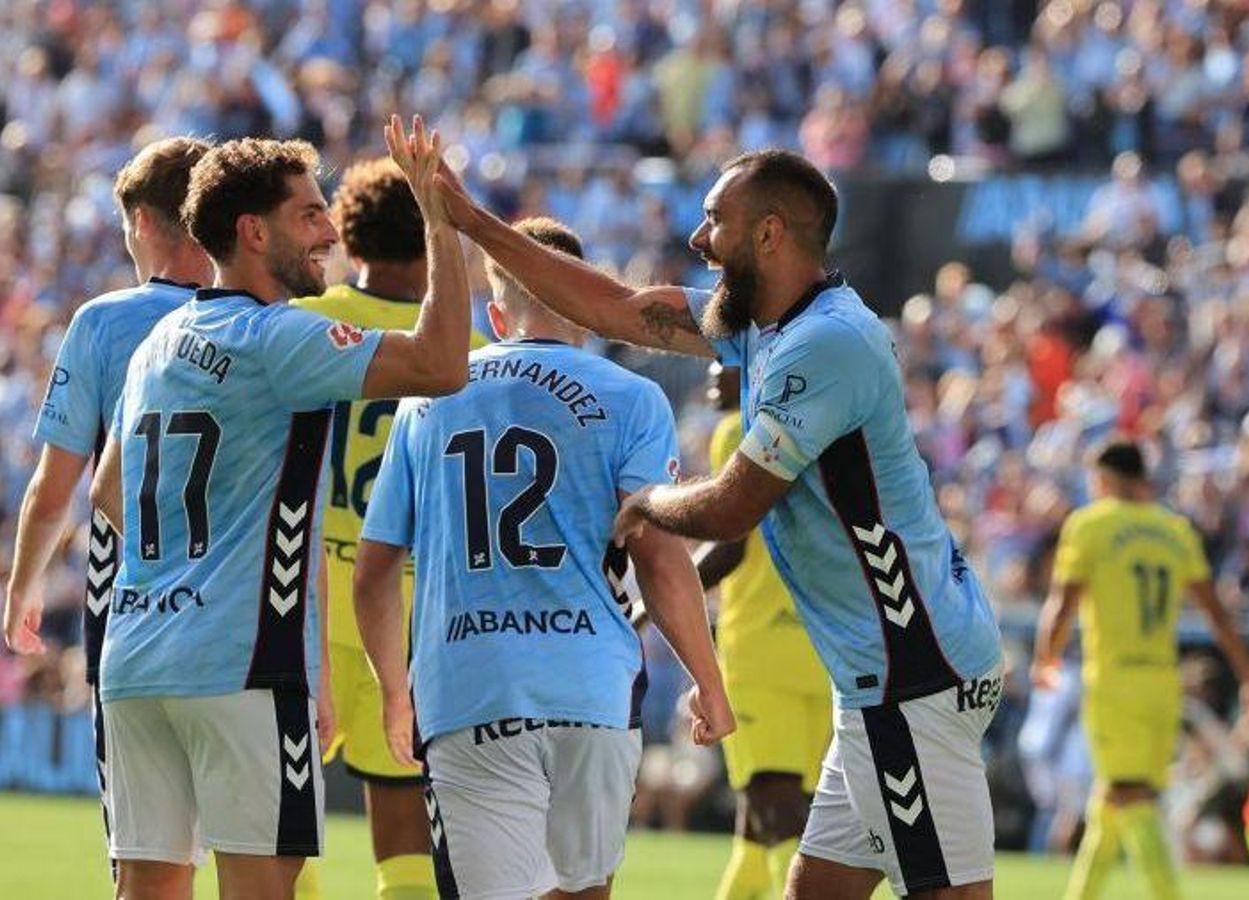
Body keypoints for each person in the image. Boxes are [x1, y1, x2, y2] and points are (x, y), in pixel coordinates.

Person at [435, 140, 1004, 899]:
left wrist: (643, 503)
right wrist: (473, 222)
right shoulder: (762, 327)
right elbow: (612, 307)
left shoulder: (826, 344)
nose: (699, 238)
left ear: (769, 234)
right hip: (879, 675)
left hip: (912, 672)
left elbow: (735, 505)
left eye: (714, 220)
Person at [84, 117, 472, 900]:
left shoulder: (160, 339)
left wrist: (190, 566)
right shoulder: (278, 337)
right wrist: (441, 222)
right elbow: (441, 364)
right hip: (241, 666)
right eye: (310, 213)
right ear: (254, 232)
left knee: (147, 889)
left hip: (136, 657)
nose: (330, 231)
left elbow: (106, 491)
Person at [353, 216, 735, 900]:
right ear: (584, 305)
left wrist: (391, 690)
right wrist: (708, 680)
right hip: (591, 685)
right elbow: (658, 555)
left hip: (469, 686)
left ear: (497, 315)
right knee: (583, 891)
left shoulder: (428, 401)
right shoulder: (633, 398)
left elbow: (375, 569)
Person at [3, 136, 213, 875]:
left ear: (146, 223)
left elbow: (54, 485)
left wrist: (22, 586)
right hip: (244, 604)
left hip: (133, 605)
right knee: (261, 860)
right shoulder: (267, 321)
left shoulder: (104, 321)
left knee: (146, 860)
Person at [289, 157, 487, 900]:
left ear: (350, 230)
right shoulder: (463, 348)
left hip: (301, 607)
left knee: (276, 823)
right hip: (407, 621)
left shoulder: (304, 320)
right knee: (402, 826)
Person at [1031, 439, 1249, 900]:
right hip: (1163, 685)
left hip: (1115, 681)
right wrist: (1248, 675)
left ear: (1104, 479)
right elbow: (1216, 612)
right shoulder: (1175, 529)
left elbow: (1063, 601)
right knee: (1113, 800)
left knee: (1129, 797)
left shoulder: (1090, 524)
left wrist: (1045, 658)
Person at [696, 361, 833, 900]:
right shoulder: (824, 431)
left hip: (759, 649)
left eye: (725, 361)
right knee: (759, 828)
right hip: (820, 649)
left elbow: (730, 541)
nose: (713, 373)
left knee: (777, 814)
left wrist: (654, 600)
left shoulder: (741, 429)